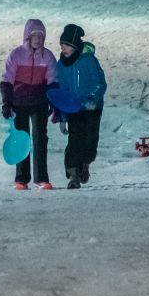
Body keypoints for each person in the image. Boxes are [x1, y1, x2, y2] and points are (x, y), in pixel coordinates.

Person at [0, 19, 58, 190]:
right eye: (35, 36)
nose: (38, 40)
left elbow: (53, 81)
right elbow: (7, 80)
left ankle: (41, 178)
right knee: (21, 139)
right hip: (19, 103)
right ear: (28, 36)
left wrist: (54, 102)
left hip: (39, 102)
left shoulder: (48, 56)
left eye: (41, 36)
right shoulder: (16, 55)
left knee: (40, 138)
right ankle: (21, 178)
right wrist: (7, 103)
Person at [54, 23, 107, 189]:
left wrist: (92, 99)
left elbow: (100, 83)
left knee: (90, 141)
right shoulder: (61, 65)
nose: (63, 48)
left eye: (67, 45)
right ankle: (74, 174)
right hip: (74, 108)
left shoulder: (89, 60)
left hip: (92, 109)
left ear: (75, 46)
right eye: (62, 45)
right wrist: (63, 115)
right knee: (75, 140)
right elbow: (62, 91)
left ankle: (85, 163)